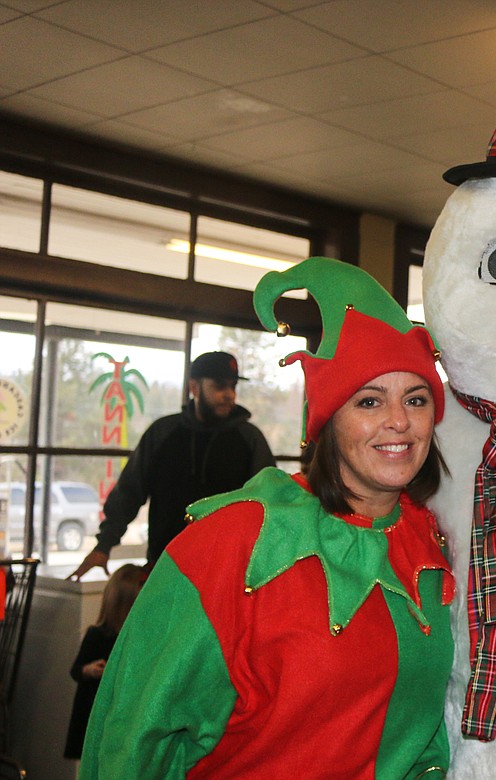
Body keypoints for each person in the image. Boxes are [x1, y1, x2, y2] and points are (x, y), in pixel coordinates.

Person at [79, 257, 454, 779]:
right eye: (369, 401)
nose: (398, 421)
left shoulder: (436, 544)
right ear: (327, 422)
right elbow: (135, 730)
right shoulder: (234, 544)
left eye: (416, 399)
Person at [69, 351, 275, 579]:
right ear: (194, 388)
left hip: (228, 571)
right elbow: (130, 491)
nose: (229, 395)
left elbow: (270, 501)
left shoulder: (249, 439)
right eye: (220, 386)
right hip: (165, 565)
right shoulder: (162, 433)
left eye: (233, 386)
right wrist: (103, 546)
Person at [63, 563, 145, 760]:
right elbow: (75, 670)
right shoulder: (97, 635)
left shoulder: (140, 638)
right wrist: (90, 670)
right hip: (96, 709)